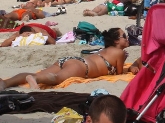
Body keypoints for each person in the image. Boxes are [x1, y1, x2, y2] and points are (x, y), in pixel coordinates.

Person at [0, 28, 130, 90]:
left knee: (40, 72)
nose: (127, 38)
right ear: (116, 41)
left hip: (73, 60)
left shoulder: (105, 50)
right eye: (124, 36)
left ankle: (6, 83)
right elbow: (119, 74)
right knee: (56, 79)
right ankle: (35, 79)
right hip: (82, 67)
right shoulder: (120, 53)